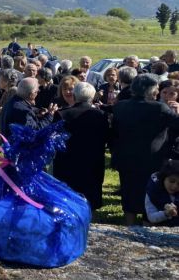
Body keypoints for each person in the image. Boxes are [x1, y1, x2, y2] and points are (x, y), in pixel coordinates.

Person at [111, 74, 179, 225]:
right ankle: (148, 223)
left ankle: (130, 224)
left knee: (129, 191)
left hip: (126, 156)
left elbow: (115, 132)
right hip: (152, 157)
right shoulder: (159, 107)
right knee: (151, 192)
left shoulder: (120, 106)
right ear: (151, 90)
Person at [53, 82, 109, 211]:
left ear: (75, 95)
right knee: (90, 196)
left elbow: (54, 137)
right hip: (92, 160)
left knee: (67, 196)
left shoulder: (62, 114)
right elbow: (105, 136)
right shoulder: (100, 115)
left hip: (67, 160)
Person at [145, 160, 179, 227]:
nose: (175, 186)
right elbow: (151, 216)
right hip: (161, 229)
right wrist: (166, 213)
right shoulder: (153, 190)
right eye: (172, 181)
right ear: (163, 178)